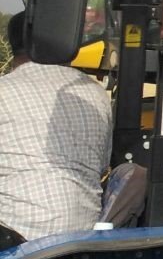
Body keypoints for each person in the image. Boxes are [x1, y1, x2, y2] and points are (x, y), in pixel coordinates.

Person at [0, 12, 112, 243]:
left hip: (17, 237)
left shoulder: (4, 90)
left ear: (13, 47)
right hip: (84, 235)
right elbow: (101, 165)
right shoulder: (95, 92)